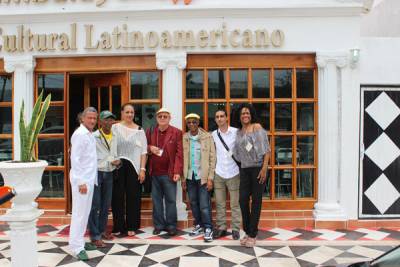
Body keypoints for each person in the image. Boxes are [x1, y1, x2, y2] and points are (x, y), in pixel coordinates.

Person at [233, 103, 270, 248]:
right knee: (242, 201)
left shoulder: (257, 128)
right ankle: (248, 231)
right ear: (239, 116)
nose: (245, 115)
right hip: (244, 170)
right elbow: (237, 152)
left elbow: (266, 149)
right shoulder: (239, 132)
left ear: (251, 114)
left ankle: (252, 234)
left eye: (247, 113)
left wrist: (264, 168)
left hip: (257, 169)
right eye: (242, 113)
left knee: (256, 202)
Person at [111, 103, 147, 237]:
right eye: (127, 112)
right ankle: (118, 226)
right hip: (117, 166)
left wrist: (142, 169)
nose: (130, 114)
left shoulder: (139, 130)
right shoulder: (114, 127)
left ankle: (132, 225)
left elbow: (143, 152)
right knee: (117, 197)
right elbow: (109, 147)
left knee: (133, 196)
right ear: (122, 113)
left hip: (134, 167)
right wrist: (111, 160)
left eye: (132, 112)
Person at [146, 108, 183, 236]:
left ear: (169, 118)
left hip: (169, 173)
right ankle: (159, 225)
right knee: (156, 201)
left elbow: (179, 154)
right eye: (160, 116)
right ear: (157, 118)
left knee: (171, 201)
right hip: (154, 173)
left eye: (165, 116)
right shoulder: (150, 131)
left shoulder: (177, 132)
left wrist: (177, 171)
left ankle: (171, 225)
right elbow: (143, 147)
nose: (162, 118)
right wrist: (150, 148)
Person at [69, 107, 99, 261]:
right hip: (81, 181)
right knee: (79, 215)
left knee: (84, 214)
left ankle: (78, 241)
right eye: (90, 118)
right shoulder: (80, 134)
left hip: (88, 179)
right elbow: (75, 160)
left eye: (94, 118)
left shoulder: (89, 134)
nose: (93, 121)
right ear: (83, 119)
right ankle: (76, 247)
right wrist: (81, 182)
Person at [182, 113, 216, 242]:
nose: (191, 124)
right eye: (189, 122)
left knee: (204, 204)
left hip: (203, 176)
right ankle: (199, 225)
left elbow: (213, 158)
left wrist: (210, 178)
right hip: (190, 176)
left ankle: (208, 228)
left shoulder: (207, 137)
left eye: (194, 122)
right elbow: (183, 159)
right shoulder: (185, 137)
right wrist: (183, 178)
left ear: (198, 123)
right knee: (193, 203)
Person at [88, 110, 120, 248]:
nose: (109, 122)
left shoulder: (115, 136)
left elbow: (116, 154)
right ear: (100, 122)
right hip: (97, 173)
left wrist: (118, 162)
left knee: (106, 205)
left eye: (111, 119)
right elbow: (89, 156)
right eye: (106, 120)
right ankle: (95, 235)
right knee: (95, 205)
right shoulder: (93, 136)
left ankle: (101, 230)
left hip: (110, 172)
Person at [211, 109, 241, 240]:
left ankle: (235, 229)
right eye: (217, 117)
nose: (219, 119)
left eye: (222, 116)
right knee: (220, 203)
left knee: (235, 203)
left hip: (234, 172)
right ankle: (222, 227)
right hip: (219, 172)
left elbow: (245, 148)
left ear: (227, 118)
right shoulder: (213, 134)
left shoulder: (236, 132)